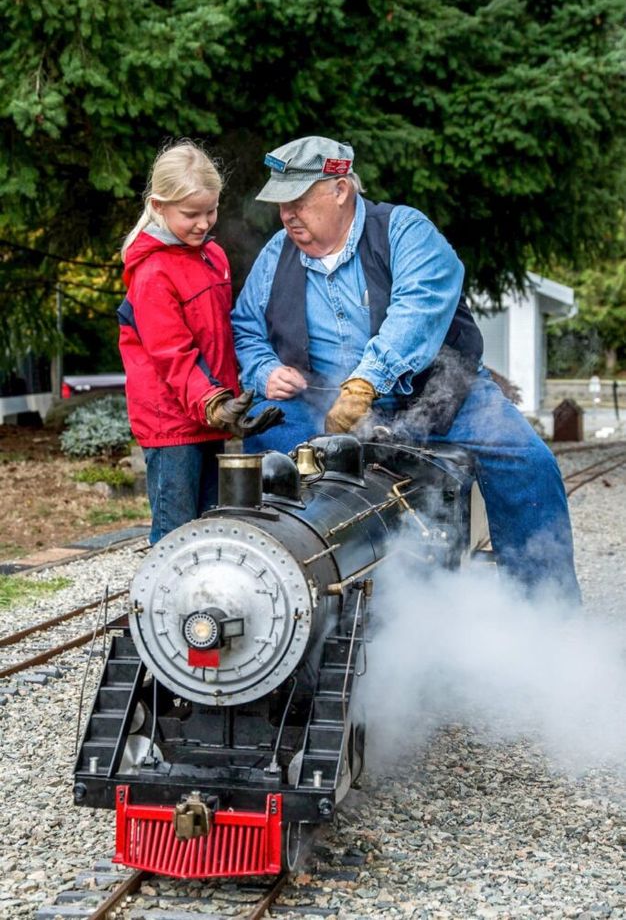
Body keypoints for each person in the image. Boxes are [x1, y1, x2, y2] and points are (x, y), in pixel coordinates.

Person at [231, 135, 580, 601]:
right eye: (282, 204)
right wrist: (265, 370)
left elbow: (417, 313)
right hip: (324, 398)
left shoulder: (404, 230)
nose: (288, 215)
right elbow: (246, 330)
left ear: (340, 189)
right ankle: (282, 599)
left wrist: (364, 383)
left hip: (439, 390)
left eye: (298, 201)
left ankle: (546, 614)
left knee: (527, 463)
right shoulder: (277, 255)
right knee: (266, 451)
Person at [118, 140, 282, 544]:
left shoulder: (214, 256)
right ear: (158, 206)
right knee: (176, 537)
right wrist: (214, 404)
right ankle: (161, 607)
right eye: (190, 214)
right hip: (171, 424)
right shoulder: (152, 272)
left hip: (211, 417)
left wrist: (232, 401)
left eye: (211, 211)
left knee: (214, 528)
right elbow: (173, 355)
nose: (204, 223)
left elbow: (219, 338)